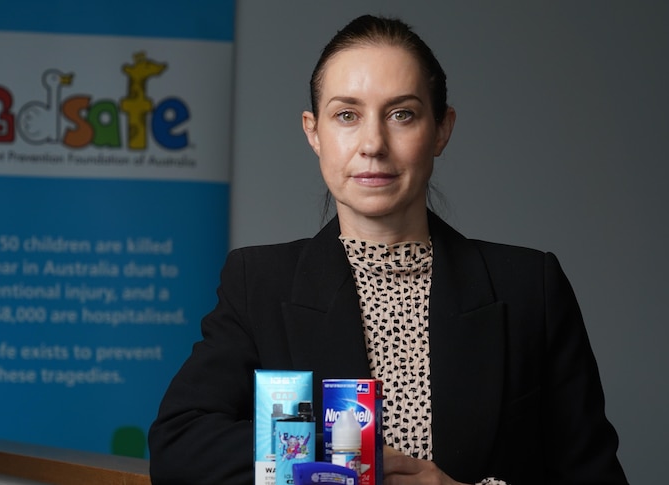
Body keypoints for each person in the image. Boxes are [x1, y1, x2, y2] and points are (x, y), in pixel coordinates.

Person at [148, 14, 628, 485]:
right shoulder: (258, 280)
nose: (373, 143)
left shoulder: (529, 287)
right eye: (347, 115)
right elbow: (179, 444)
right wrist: (335, 460)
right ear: (314, 132)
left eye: (402, 114)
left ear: (441, 129)